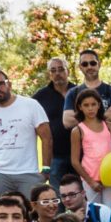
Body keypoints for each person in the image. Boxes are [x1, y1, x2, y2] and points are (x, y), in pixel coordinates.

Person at [0, 69, 51, 201]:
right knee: (4, 209)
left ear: (9, 84)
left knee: (31, 209)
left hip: (28, 171)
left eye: (1, 83)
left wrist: (46, 168)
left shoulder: (30, 105)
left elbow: (47, 138)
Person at [69, 87, 111, 205]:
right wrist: (90, 181)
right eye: (86, 105)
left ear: (99, 105)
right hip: (90, 177)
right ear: (80, 107)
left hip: (110, 176)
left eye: (93, 104)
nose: (90, 108)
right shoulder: (78, 130)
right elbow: (75, 161)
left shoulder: (109, 126)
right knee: (96, 211)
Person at [31, 57, 74, 187]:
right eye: (53, 70)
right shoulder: (40, 97)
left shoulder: (78, 91)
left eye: (61, 69)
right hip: (55, 155)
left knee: (82, 192)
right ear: (49, 74)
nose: (57, 73)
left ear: (68, 71)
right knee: (57, 193)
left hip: (80, 153)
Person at [63, 48, 111, 131]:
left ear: (99, 64)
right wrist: (104, 116)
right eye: (85, 64)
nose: (89, 67)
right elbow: (68, 122)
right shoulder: (73, 93)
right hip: (82, 139)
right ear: (80, 67)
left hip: (107, 138)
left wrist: (82, 117)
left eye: (93, 63)